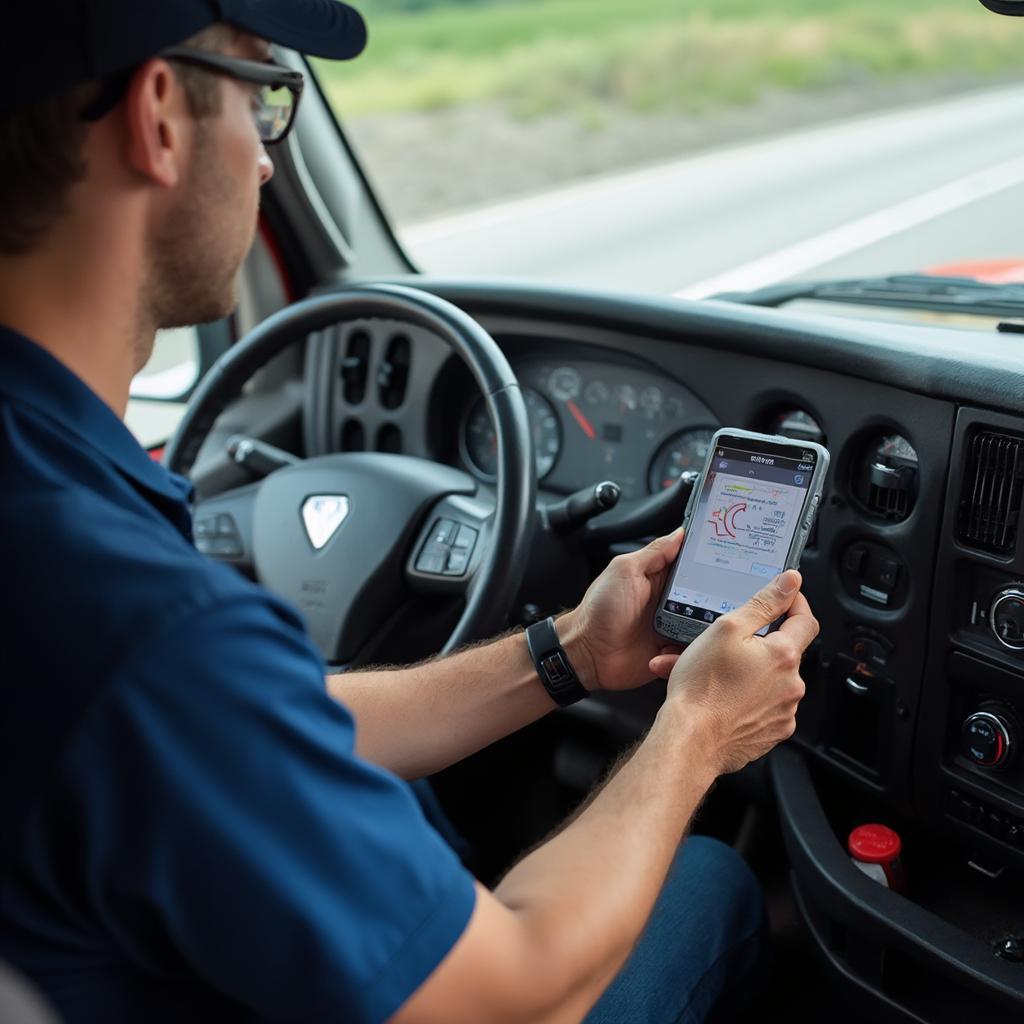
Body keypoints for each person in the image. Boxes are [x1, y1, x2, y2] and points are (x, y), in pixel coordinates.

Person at [0, 2, 818, 1021]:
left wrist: (565, 650)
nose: (264, 163)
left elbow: (274, 725)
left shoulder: (53, 497)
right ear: (159, 115)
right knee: (710, 882)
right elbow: (518, 997)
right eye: (264, 95)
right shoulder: (142, 630)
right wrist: (698, 726)